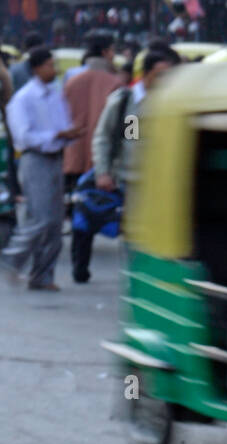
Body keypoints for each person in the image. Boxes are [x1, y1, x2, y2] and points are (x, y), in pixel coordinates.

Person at [1, 46, 82, 290]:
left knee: (55, 222)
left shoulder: (57, 93)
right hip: (37, 158)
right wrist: (57, 134)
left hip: (58, 156)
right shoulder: (24, 99)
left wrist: (67, 135)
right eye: (50, 65)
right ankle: (12, 259)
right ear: (36, 68)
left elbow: (63, 124)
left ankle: (43, 275)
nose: (54, 70)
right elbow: (23, 137)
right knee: (42, 219)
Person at [63, 29, 123, 282]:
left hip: (74, 157)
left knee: (81, 216)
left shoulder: (71, 83)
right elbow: (131, 128)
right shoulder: (118, 85)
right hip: (105, 163)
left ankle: (79, 265)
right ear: (107, 52)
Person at [91, 43, 177, 195]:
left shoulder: (169, 104)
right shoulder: (128, 102)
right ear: (145, 74)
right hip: (127, 183)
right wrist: (103, 172)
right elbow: (105, 137)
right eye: (159, 75)